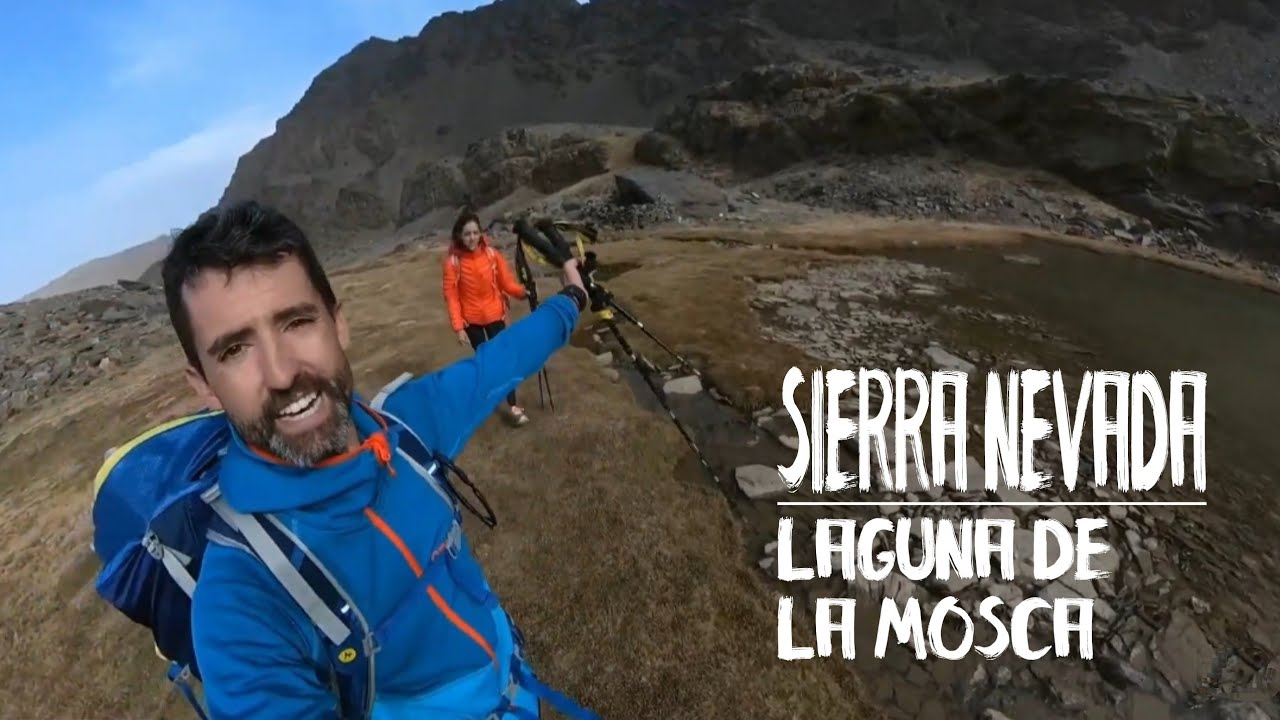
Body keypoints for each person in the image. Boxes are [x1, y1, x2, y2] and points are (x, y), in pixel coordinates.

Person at [160, 200, 591, 719]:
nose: (280, 373)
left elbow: (501, 360)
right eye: (234, 351)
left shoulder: (402, 427)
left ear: (338, 324)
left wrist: (572, 297)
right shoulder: (240, 602)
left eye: (296, 322)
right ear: (203, 384)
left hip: (514, 686)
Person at [442, 211, 532, 426]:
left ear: (481, 233)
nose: (472, 238)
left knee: (504, 361)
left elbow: (506, 283)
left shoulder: (492, 255)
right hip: (471, 322)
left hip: (496, 316)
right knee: (486, 363)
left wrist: (522, 292)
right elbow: (452, 297)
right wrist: (458, 327)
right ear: (459, 236)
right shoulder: (453, 262)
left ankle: (513, 406)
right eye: (467, 234)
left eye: (475, 232)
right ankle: (487, 398)